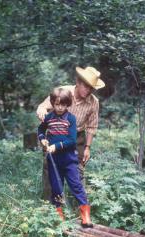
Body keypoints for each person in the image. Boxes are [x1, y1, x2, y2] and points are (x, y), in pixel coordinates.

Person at [37, 66, 105, 199]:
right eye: (86, 86)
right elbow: (43, 105)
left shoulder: (94, 102)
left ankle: (79, 206)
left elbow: (92, 126)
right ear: (78, 82)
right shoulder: (64, 91)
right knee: (51, 168)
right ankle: (49, 206)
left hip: (77, 137)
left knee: (77, 170)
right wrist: (42, 110)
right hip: (55, 134)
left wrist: (87, 148)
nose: (88, 90)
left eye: (91, 88)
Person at [38, 87, 93, 228]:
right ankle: (59, 216)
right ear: (53, 103)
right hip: (53, 161)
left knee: (76, 185)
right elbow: (40, 129)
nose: (60, 107)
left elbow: (72, 140)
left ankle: (85, 214)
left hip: (69, 160)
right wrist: (42, 139)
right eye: (57, 104)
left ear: (68, 104)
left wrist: (56, 146)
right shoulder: (49, 118)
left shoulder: (71, 119)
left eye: (63, 104)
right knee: (56, 188)